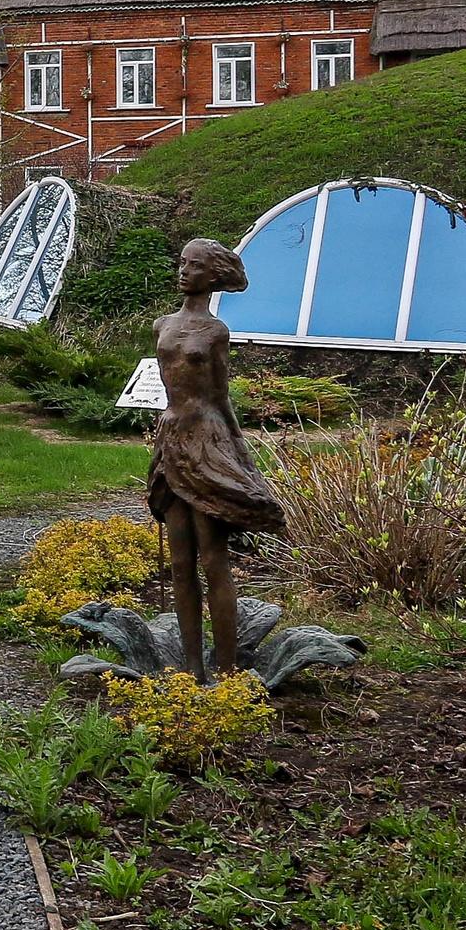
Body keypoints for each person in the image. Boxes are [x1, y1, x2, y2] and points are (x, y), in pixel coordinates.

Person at [147, 237, 285, 680]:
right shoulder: (162, 324)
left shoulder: (215, 332)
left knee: (212, 558)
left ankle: (225, 669)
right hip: (170, 438)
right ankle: (190, 668)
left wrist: (240, 454)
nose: (184, 271)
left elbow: (221, 397)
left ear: (212, 276)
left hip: (205, 441)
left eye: (194, 265)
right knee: (180, 561)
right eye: (182, 262)